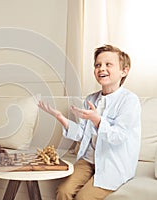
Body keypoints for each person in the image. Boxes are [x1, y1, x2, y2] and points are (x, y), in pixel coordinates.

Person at [39, 44, 141, 200]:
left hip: (112, 164)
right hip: (88, 160)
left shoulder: (129, 101)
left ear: (124, 71)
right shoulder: (91, 99)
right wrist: (60, 117)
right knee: (63, 191)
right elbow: (81, 133)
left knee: (83, 198)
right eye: (97, 65)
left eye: (108, 64)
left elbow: (118, 137)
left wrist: (97, 120)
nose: (101, 68)